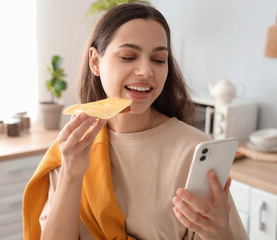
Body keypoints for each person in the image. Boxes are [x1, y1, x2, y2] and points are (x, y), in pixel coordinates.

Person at [23, 3, 248, 240]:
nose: (146, 71)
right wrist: (71, 172)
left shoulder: (194, 150)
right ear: (95, 62)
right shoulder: (74, 144)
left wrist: (221, 233)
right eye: (128, 56)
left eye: (159, 59)